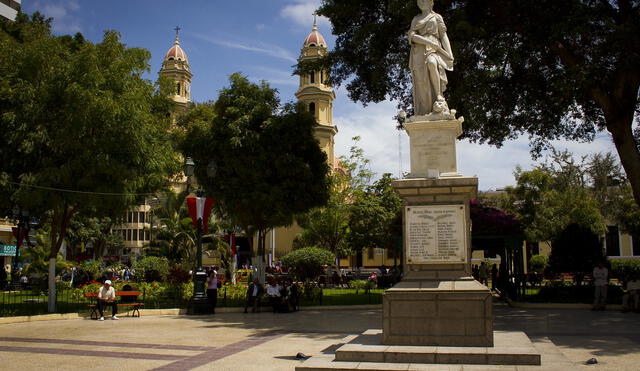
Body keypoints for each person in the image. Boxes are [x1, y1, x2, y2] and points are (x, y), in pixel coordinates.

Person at [408, 0, 454, 116]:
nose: (421, 2)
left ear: (430, 2)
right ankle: (425, 109)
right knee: (421, 81)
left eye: (424, 0)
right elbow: (412, 37)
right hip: (418, 51)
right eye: (419, 1)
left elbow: (443, 35)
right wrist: (427, 41)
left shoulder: (436, 17)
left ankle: (438, 95)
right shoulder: (416, 19)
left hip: (434, 48)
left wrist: (449, 53)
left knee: (432, 63)